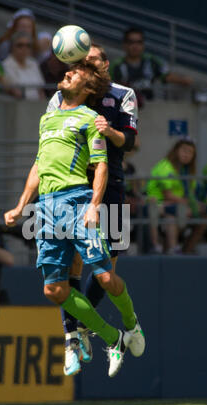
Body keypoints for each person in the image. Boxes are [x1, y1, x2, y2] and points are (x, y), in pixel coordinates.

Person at [4, 60, 145, 379]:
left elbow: (104, 164)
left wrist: (95, 204)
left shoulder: (91, 118)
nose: (67, 71)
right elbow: (38, 165)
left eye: (76, 71)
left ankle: (131, 324)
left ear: (89, 86)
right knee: (53, 289)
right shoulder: (47, 118)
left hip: (83, 200)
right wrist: (20, 205)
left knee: (106, 276)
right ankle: (110, 338)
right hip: (48, 207)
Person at [46, 43, 139, 375]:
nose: (85, 66)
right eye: (81, 62)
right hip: (70, 190)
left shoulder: (123, 94)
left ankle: (97, 328)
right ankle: (72, 336)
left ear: (105, 63)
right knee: (69, 268)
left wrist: (109, 131)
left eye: (92, 61)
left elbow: (131, 141)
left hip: (110, 185)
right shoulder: (66, 96)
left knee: (104, 273)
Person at [147, 138, 204, 254]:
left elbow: (190, 193)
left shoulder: (188, 170)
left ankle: (184, 250)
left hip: (176, 203)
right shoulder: (166, 166)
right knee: (174, 216)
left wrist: (195, 204)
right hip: (157, 202)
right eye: (184, 150)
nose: (186, 155)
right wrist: (187, 203)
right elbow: (167, 194)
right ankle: (170, 249)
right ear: (176, 150)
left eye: (190, 152)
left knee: (205, 216)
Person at [110, 27, 193, 107]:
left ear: (143, 44)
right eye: (131, 42)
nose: (135, 46)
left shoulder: (151, 61)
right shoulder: (116, 65)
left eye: (139, 42)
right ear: (124, 44)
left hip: (149, 106)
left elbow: (166, 76)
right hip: (125, 108)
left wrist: (183, 80)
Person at [2, 31, 45, 101]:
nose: (24, 48)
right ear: (12, 47)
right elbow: (14, 91)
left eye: (28, 45)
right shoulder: (6, 65)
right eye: (20, 45)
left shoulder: (34, 63)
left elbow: (41, 91)